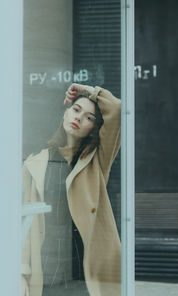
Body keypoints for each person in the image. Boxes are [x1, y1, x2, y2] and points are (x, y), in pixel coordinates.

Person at [21, 83, 121, 296]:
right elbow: (24, 224)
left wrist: (88, 91)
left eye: (89, 117)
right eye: (76, 110)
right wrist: (22, 272)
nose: (78, 118)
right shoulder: (34, 164)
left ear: (93, 129)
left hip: (85, 267)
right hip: (47, 265)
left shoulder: (96, 162)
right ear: (65, 114)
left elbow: (117, 109)